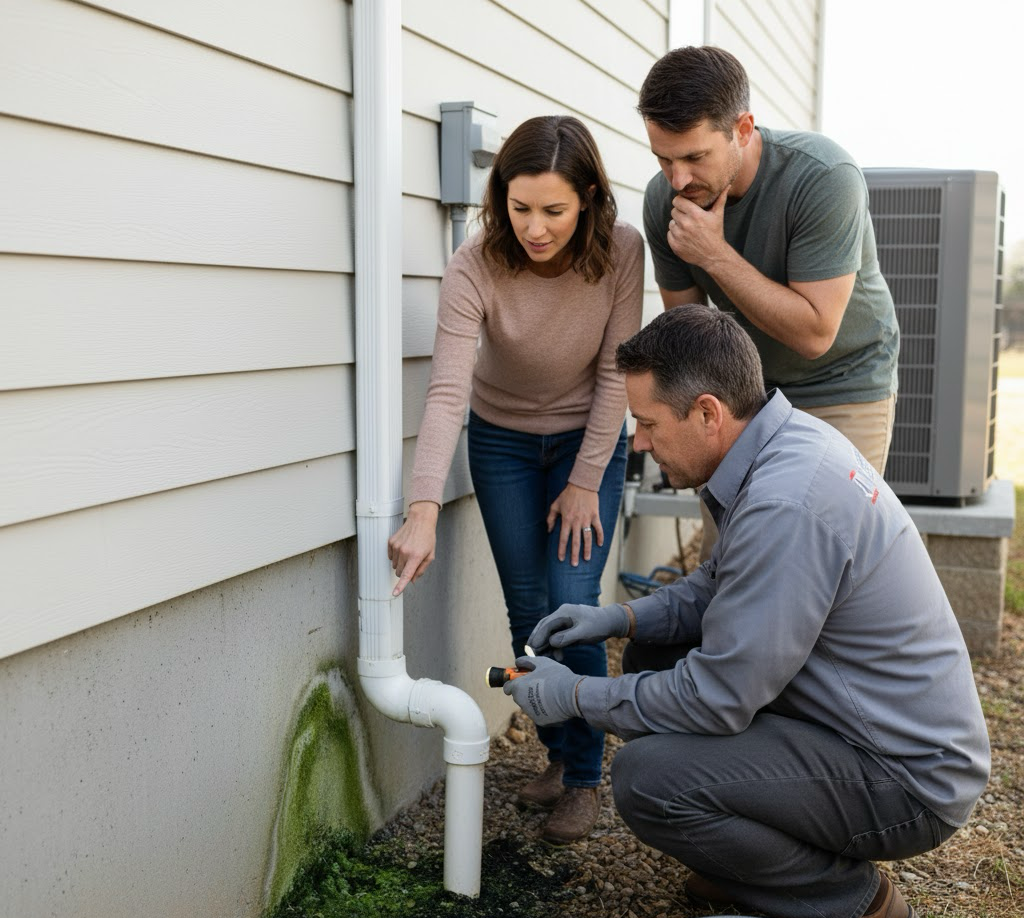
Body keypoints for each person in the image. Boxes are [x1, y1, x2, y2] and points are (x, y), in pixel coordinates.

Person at [505, 305, 990, 918]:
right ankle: (750, 867)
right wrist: (621, 620)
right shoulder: (782, 444)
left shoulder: (785, 503)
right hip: (865, 726)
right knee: (656, 651)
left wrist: (574, 696)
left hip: (906, 778)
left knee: (647, 778)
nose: (642, 443)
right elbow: (720, 585)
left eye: (649, 424)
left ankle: (854, 902)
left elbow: (717, 697)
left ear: (708, 412)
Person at [387, 115, 645, 844]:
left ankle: (588, 780)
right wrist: (424, 507)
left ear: (589, 198)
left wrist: (585, 478)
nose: (534, 227)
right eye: (518, 206)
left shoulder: (622, 251)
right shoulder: (475, 264)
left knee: (576, 604)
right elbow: (445, 392)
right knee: (529, 609)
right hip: (500, 441)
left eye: (553, 211)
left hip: (587, 441)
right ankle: (561, 757)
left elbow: (615, 373)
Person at [639, 45, 900, 558]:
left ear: (742, 128)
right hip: (746, 392)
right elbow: (690, 338)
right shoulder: (662, 201)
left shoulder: (823, 177)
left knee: (825, 552)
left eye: (694, 157)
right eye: (663, 159)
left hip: (842, 381)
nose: (678, 179)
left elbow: (814, 333)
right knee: (731, 554)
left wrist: (714, 255)